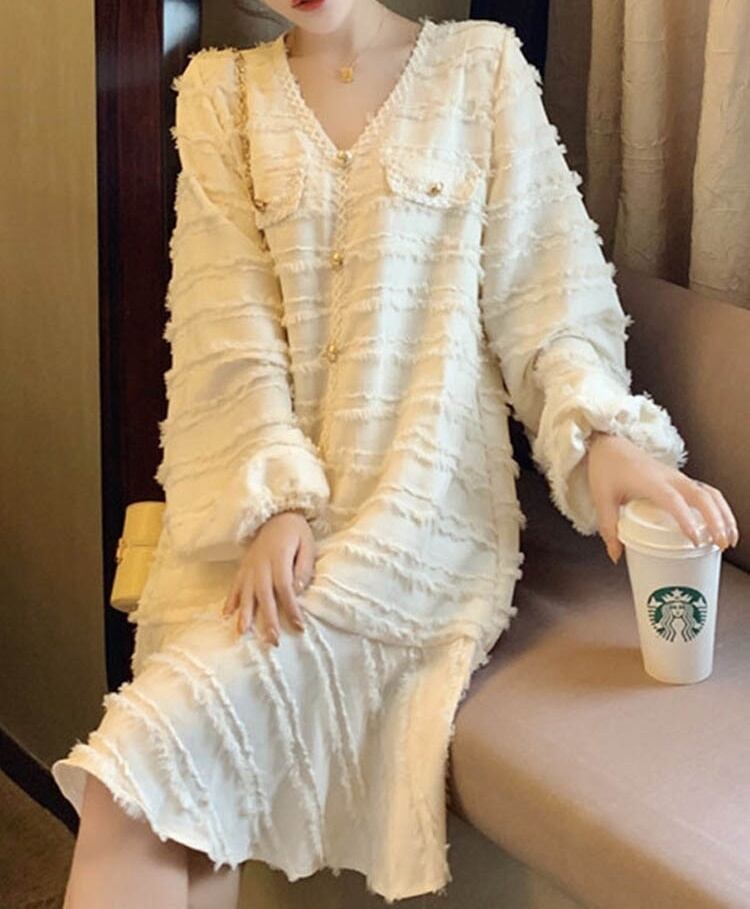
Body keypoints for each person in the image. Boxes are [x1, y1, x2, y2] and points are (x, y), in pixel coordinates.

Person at [52, 2, 740, 907]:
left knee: (132, 788)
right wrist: (273, 504)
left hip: (418, 525)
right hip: (250, 526)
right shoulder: (221, 96)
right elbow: (225, 325)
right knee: (185, 812)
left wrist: (605, 440)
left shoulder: (480, 69)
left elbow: (547, 294)